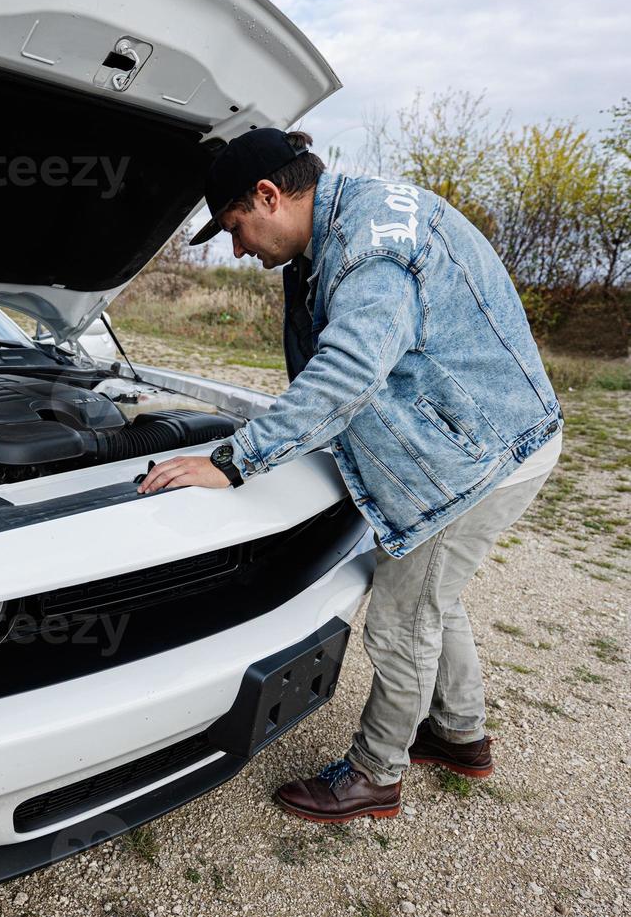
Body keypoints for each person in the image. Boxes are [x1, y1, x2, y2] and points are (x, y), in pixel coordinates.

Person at [138, 128, 563, 823]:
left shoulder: (373, 249)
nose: (240, 251)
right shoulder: (346, 223)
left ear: (269, 195)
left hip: (483, 456)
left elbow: (348, 372)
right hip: (485, 435)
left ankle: (375, 775)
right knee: (433, 597)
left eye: (238, 230)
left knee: (400, 620)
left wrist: (232, 461)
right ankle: (460, 736)